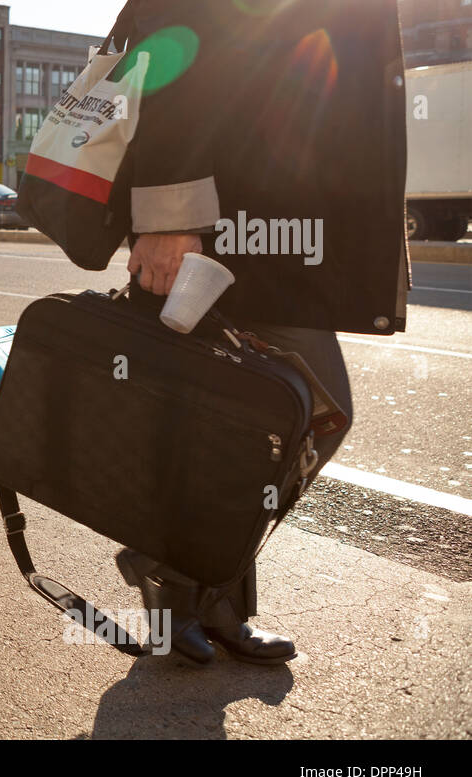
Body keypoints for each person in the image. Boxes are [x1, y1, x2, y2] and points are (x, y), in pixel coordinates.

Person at [113, 0, 409, 665]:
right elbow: (175, 39)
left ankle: (207, 600)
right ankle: (176, 565)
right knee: (312, 413)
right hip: (229, 228)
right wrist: (169, 214)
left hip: (282, 230)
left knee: (241, 428)